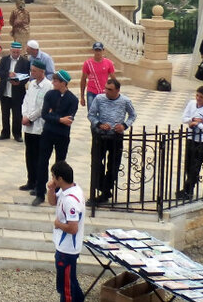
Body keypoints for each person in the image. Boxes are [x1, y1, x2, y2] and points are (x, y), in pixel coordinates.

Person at [86, 78, 137, 205]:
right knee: (97, 163)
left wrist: (124, 126)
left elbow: (133, 115)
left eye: (110, 89)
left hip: (116, 137)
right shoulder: (99, 99)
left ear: (117, 90)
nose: (106, 91)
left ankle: (106, 190)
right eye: (106, 89)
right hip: (101, 136)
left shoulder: (125, 101)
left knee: (113, 166)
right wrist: (99, 124)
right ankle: (102, 188)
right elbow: (91, 115)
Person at [36, 70, 79, 205]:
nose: (53, 83)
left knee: (60, 164)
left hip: (62, 135)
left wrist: (54, 116)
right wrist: (59, 119)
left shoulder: (72, 99)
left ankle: (59, 193)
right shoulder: (50, 94)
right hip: (48, 132)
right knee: (42, 162)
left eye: (55, 81)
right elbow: (45, 114)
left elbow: (69, 119)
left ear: (63, 83)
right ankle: (39, 192)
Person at [46, 161, 85, 302]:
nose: (52, 179)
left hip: (67, 249)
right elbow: (53, 202)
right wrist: (51, 189)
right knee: (71, 281)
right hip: (65, 247)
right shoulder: (70, 189)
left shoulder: (71, 200)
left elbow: (73, 228)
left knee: (66, 288)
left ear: (60, 178)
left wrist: (58, 224)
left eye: (53, 177)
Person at [20, 59, 54, 201]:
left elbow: (42, 107)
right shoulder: (32, 84)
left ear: (42, 72)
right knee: (29, 155)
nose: (32, 73)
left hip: (39, 126)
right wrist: (24, 115)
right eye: (31, 70)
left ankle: (39, 184)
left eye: (34, 71)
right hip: (28, 125)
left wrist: (31, 118)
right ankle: (31, 180)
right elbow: (26, 101)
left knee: (40, 157)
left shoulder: (48, 86)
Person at [177, 86, 203, 201]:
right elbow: (184, 118)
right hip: (190, 138)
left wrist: (198, 125)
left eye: (201, 97)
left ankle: (189, 190)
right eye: (197, 95)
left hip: (200, 141)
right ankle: (186, 188)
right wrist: (193, 120)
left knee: (195, 166)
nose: (198, 98)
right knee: (188, 164)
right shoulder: (191, 104)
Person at [0, 41, 29, 142]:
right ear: (10, 51)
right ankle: (5, 132)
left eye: (17, 52)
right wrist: (8, 74)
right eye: (13, 52)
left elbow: (26, 77)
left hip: (17, 92)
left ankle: (17, 134)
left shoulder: (25, 62)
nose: (15, 54)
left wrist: (19, 82)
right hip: (5, 92)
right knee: (5, 114)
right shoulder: (5, 60)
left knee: (17, 115)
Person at [80, 43, 117, 109]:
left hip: (104, 92)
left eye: (99, 50)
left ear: (103, 50)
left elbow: (113, 80)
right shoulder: (87, 64)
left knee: (104, 114)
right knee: (92, 113)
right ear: (93, 51)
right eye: (96, 50)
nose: (98, 52)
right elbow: (83, 80)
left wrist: (115, 94)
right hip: (91, 92)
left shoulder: (108, 63)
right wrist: (82, 97)